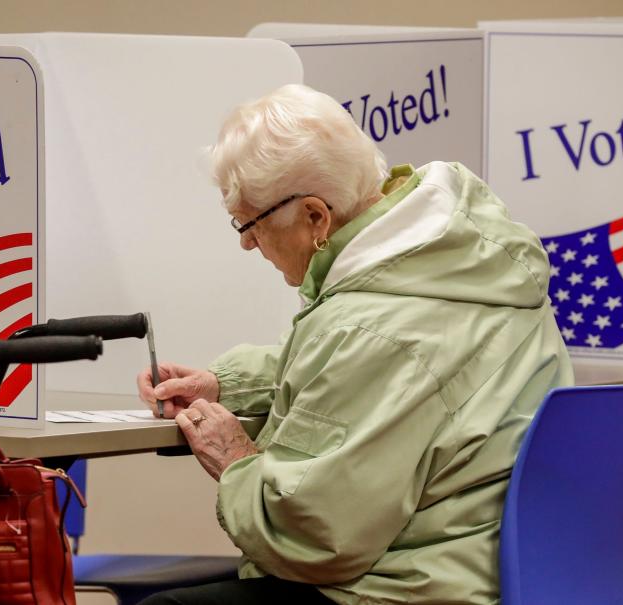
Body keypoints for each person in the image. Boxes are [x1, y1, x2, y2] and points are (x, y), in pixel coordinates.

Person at [136, 84, 573, 605]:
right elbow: (357, 374)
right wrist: (226, 384)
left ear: (316, 217)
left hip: (413, 588)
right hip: (504, 569)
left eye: (249, 222)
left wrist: (236, 462)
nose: (246, 242)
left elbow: (314, 537)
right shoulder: (463, 259)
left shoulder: (371, 326)